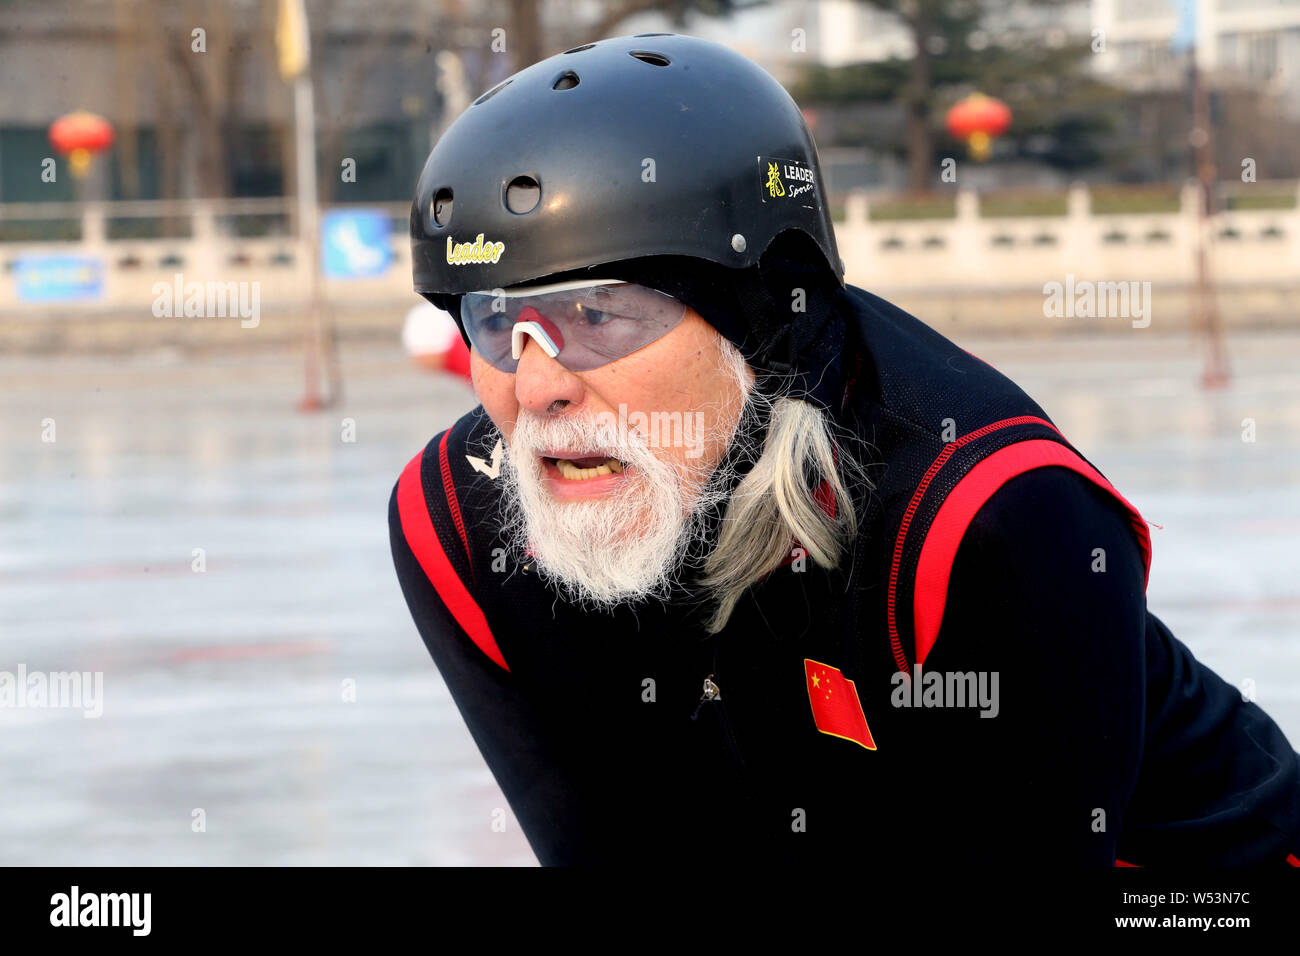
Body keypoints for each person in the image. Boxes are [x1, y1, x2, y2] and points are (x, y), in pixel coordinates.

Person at [389, 34, 1300, 866]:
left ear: (755, 323)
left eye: (598, 312)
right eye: (498, 321)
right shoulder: (455, 524)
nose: (538, 385)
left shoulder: (980, 514)